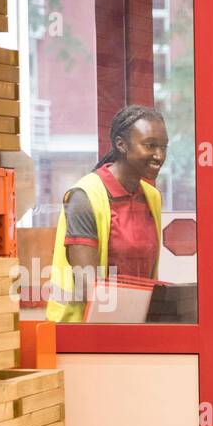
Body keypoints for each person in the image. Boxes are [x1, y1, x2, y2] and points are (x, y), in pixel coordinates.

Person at [47, 105, 168, 322]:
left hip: (134, 325)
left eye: (164, 147)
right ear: (121, 144)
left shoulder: (152, 197)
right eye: (150, 145)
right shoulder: (84, 196)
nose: (159, 155)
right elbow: (88, 286)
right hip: (82, 332)